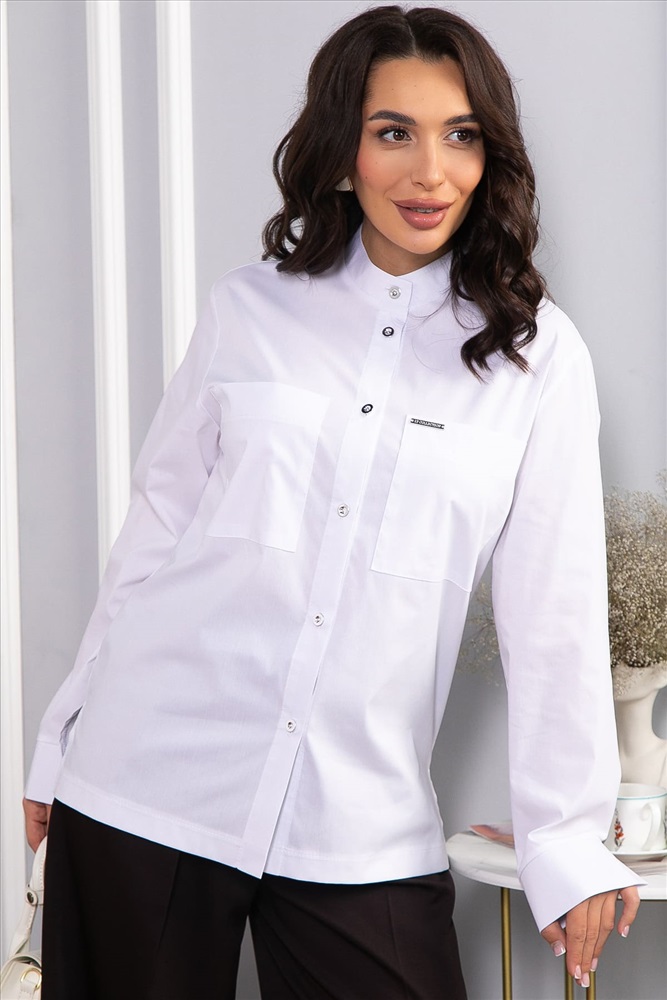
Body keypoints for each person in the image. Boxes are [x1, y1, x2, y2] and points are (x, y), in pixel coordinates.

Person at [23, 5, 642, 998]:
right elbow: (156, 534)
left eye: (460, 135)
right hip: (146, 780)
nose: (429, 172)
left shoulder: (537, 358)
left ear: (489, 156)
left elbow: (554, 611)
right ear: (342, 150)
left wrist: (563, 838)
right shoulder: (247, 310)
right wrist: (59, 745)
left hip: (360, 822)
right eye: (393, 132)